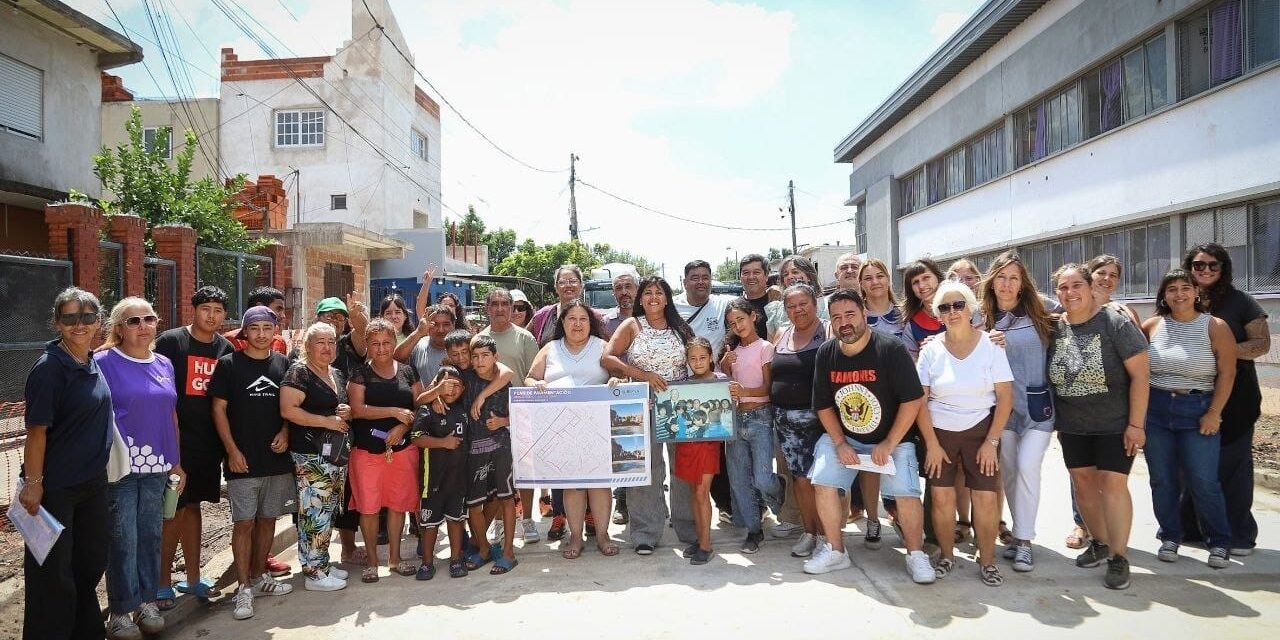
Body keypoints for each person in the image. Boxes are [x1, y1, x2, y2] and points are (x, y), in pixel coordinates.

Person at [805, 289, 934, 583]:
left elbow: (912, 400)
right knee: (822, 480)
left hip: (893, 437)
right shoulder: (827, 353)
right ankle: (836, 551)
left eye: (850, 314)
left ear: (865, 314)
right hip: (846, 437)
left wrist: (889, 443)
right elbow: (823, 405)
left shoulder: (891, 349)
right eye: (836, 317)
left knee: (906, 492)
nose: (844, 322)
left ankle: (916, 554)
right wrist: (839, 443)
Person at [1048, 263, 1149, 590]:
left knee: (1113, 484)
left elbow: (1141, 376)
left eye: (1076, 285)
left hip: (1115, 425)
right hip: (1073, 425)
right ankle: (1100, 543)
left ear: (1091, 287)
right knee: (1084, 485)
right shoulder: (1054, 327)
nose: (1070, 292)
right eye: (1063, 287)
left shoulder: (1115, 323)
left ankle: (1119, 557)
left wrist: (1136, 424)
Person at [20, 288, 113, 640]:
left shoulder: (89, 360)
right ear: (58, 323)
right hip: (54, 488)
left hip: (91, 484)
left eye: (87, 317)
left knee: (89, 566)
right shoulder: (49, 369)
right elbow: (36, 432)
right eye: (70, 318)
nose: (79, 324)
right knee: (52, 576)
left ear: (98, 322)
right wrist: (33, 483)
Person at [915, 281, 1014, 586]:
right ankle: (946, 556)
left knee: (985, 499)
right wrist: (931, 444)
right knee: (941, 498)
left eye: (958, 305)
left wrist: (991, 441)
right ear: (938, 314)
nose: (952, 311)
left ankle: (987, 561)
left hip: (981, 432)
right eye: (945, 307)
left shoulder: (990, 346)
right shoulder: (930, 351)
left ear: (971, 308)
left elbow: (1005, 398)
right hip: (940, 433)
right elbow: (920, 400)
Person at [95, 298, 179, 639]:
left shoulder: (164, 363)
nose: (142, 326)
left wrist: (176, 461)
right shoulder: (103, 362)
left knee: (150, 536)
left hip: (158, 466)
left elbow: (171, 415)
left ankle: (146, 602)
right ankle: (120, 611)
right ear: (118, 328)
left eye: (148, 319)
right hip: (121, 466)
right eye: (133, 321)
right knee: (122, 539)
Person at [1143, 268, 1236, 568]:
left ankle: (1219, 541)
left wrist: (1214, 413)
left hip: (1198, 409)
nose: (1179, 294)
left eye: (1186, 287)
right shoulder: (1153, 325)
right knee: (1162, 479)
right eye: (1172, 289)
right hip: (1155, 411)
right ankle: (1170, 535)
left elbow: (1228, 373)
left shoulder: (1215, 326)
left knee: (1203, 480)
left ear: (1197, 293)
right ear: (1164, 295)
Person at [209, 306, 296, 621]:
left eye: (266, 328)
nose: (261, 334)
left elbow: (291, 406)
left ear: (275, 331)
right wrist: (231, 450)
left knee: (268, 519)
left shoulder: (284, 364)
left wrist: (286, 432)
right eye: (254, 328)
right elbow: (218, 411)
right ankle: (243, 588)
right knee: (244, 523)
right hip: (242, 460)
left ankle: (259, 577)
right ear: (245, 331)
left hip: (276, 459)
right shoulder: (229, 366)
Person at [1182, 243, 1269, 556]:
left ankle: (1239, 535)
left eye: (1212, 265)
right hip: (1191, 395)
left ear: (1224, 269)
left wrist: (1223, 352)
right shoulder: (1182, 296)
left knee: (1231, 467)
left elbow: (1261, 343)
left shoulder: (1240, 301)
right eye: (1198, 265)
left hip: (1237, 397)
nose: (1205, 270)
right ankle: (1191, 529)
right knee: (1192, 466)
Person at [602, 275, 695, 555]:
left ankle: (688, 527)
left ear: (667, 298)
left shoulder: (681, 327)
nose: (653, 297)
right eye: (648, 293)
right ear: (641, 298)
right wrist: (642, 375)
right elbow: (608, 357)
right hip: (640, 405)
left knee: (683, 469)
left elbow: (699, 358)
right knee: (644, 470)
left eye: (659, 292)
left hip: (677, 408)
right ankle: (645, 532)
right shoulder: (633, 325)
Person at [154, 286, 235, 604]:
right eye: (206, 308)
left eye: (218, 310)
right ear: (194, 310)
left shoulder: (225, 348)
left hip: (207, 445)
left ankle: (192, 579)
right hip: (175, 445)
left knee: (194, 507)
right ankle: (162, 582)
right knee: (171, 511)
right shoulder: (171, 341)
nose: (211, 315)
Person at [525, 300, 620, 559]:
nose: (577, 324)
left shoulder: (602, 347)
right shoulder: (550, 348)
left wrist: (616, 379)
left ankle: (602, 534)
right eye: (571, 319)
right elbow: (530, 377)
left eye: (583, 319)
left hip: (598, 426)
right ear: (562, 323)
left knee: (600, 484)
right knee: (573, 485)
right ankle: (576, 537)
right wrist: (537, 384)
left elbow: (620, 376)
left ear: (591, 323)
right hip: (562, 428)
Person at [981, 251, 1057, 572]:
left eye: (1014, 278)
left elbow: (1080, 305)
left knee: (1028, 467)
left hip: (1038, 408)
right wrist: (986, 340)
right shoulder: (980, 318)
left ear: (1022, 283)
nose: (1007, 284)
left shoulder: (1042, 309)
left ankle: (1025, 541)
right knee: (1010, 474)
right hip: (1003, 411)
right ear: (992, 281)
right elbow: (958, 344)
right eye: (1001, 277)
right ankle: (1017, 534)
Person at [348, 318, 425, 582]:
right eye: (375, 344)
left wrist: (402, 429)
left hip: (403, 450)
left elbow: (419, 406)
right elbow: (357, 409)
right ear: (367, 345)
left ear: (396, 343)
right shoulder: (359, 374)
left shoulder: (408, 372)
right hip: (367, 451)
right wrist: (393, 412)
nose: (381, 348)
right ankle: (372, 561)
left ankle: (395, 558)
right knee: (368, 507)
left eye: (387, 343)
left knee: (397, 505)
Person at [280, 322, 352, 592]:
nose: (327, 347)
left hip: (333, 457)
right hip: (310, 457)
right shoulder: (299, 373)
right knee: (313, 513)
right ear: (308, 346)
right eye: (320, 342)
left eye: (331, 341)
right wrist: (326, 422)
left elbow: (338, 409)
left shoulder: (335, 373)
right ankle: (313, 573)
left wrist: (344, 413)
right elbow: (289, 410)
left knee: (328, 511)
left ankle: (322, 563)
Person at [673, 259, 737, 529]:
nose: (701, 282)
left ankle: (726, 506)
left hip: (714, 386)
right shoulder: (673, 305)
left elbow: (745, 312)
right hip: (682, 386)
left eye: (705, 277)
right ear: (684, 281)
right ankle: (687, 518)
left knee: (718, 455)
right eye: (694, 277)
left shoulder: (722, 304)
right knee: (685, 455)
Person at [768, 284, 830, 557]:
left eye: (802, 303)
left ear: (815, 303)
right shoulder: (781, 334)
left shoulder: (828, 331)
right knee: (801, 480)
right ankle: (810, 533)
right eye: (791, 306)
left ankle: (829, 538)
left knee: (824, 481)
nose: (797, 310)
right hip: (785, 423)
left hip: (821, 420)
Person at [479, 289, 543, 544]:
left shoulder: (525, 338)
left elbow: (534, 375)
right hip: (491, 415)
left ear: (511, 306)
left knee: (525, 471)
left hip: (522, 414)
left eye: (505, 304)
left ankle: (527, 520)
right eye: (494, 304)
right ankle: (498, 523)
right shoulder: (480, 338)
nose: (500, 308)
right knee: (496, 474)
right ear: (487, 308)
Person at [721, 298, 782, 554]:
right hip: (735, 418)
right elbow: (722, 383)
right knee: (738, 479)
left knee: (762, 477)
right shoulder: (732, 352)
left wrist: (745, 391)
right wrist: (725, 364)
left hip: (760, 416)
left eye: (741, 319)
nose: (737, 325)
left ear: (753, 317)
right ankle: (753, 530)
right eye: (732, 323)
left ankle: (781, 494)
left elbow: (769, 389)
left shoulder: (765, 347)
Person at [460, 334, 519, 575]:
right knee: (474, 503)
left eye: (486, 355)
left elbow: (521, 414)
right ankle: (483, 549)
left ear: (496, 357)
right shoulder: (466, 380)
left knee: (506, 498)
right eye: (475, 356)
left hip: (502, 448)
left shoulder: (505, 382)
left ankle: (508, 553)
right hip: (473, 450)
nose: (480, 360)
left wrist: (504, 420)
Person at [411, 366, 471, 579]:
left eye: (456, 385)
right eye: (446, 385)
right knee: (429, 525)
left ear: (463, 389)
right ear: (436, 386)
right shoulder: (428, 410)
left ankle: (456, 560)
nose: (451, 390)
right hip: (432, 480)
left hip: (458, 480)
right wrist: (443, 443)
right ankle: (427, 563)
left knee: (456, 520)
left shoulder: (464, 409)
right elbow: (416, 437)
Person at [675, 337, 725, 564]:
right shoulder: (682, 384)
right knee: (694, 493)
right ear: (687, 361)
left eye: (702, 357)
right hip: (687, 445)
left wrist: (734, 393)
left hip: (708, 445)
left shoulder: (721, 381)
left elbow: (728, 410)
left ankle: (706, 545)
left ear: (711, 358)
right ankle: (701, 538)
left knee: (702, 493)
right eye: (693, 358)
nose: (697, 362)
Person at [531, 264, 602, 347]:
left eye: (573, 281)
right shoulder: (542, 315)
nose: (568, 285)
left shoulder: (595, 317)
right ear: (556, 287)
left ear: (581, 286)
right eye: (562, 282)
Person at [765, 255, 826, 336]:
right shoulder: (776, 311)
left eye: (795, 272)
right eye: (786, 274)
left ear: (809, 276)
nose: (789, 277)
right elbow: (772, 344)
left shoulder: (825, 306)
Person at [900, 258, 946, 360]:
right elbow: (909, 366)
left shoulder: (962, 307)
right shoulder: (912, 325)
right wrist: (924, 354)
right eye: (915, 282)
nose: (921, 285)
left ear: (938, 277)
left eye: (926, 278)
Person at [397, 304, 456, 382]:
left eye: (446, 324)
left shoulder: (463, 349)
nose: (440, 330)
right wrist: (419, 331)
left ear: (453, 325)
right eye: (435, 324)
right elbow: (396, 360)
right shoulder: (418, 345)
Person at [223, 286, 290, 354]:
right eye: (278, 309)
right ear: (259, 306)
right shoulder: (231, 341)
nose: (283, 316)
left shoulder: (279, 342)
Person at [860, 258, 905, 341]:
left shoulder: (905, 314)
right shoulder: (857, 318)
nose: (875, 282)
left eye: (880, 276)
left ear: (888, 279)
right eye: (868, 278)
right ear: (861, 284)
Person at [739, 254, 772, 340]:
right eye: (746, 273)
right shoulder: (735, 307)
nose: (751, 277)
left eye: (756, 272)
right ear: (740, 277)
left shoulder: (777, 303)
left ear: (766, 276)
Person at [601, 269, 640, 338]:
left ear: (637, 289)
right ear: (613, 292)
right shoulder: (606, 323)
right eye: (619, 288)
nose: (624, 292)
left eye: (628, 287)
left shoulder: (649, 317)